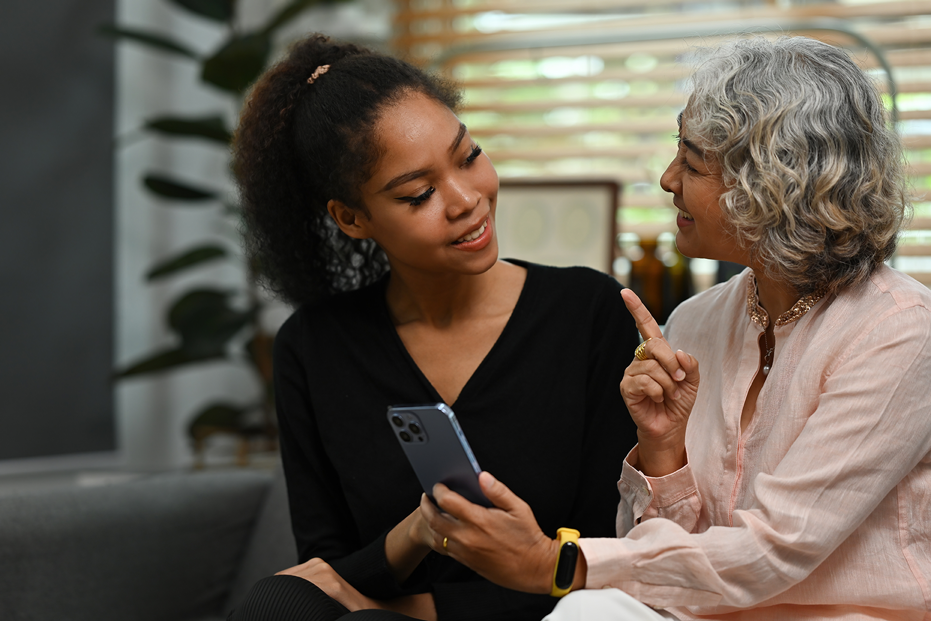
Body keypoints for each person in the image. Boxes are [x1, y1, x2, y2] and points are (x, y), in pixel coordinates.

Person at [421, 36, 931, 620]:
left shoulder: (900, 331)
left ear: (772, 186)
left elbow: (776, 550)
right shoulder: (693, 320)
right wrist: (661, 449)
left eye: (691, 163)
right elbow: (671, 560)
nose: (667, 180)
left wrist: (556, 563)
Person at [228, 34, 641, 621]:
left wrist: (414, 609)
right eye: (419, 194)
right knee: (275, 604)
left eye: (469, 156)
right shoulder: (313, 348)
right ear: (353, 218)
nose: (466, 199)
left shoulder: (589, 311)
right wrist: (421, 530)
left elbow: (610, 548)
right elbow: (326, 572)